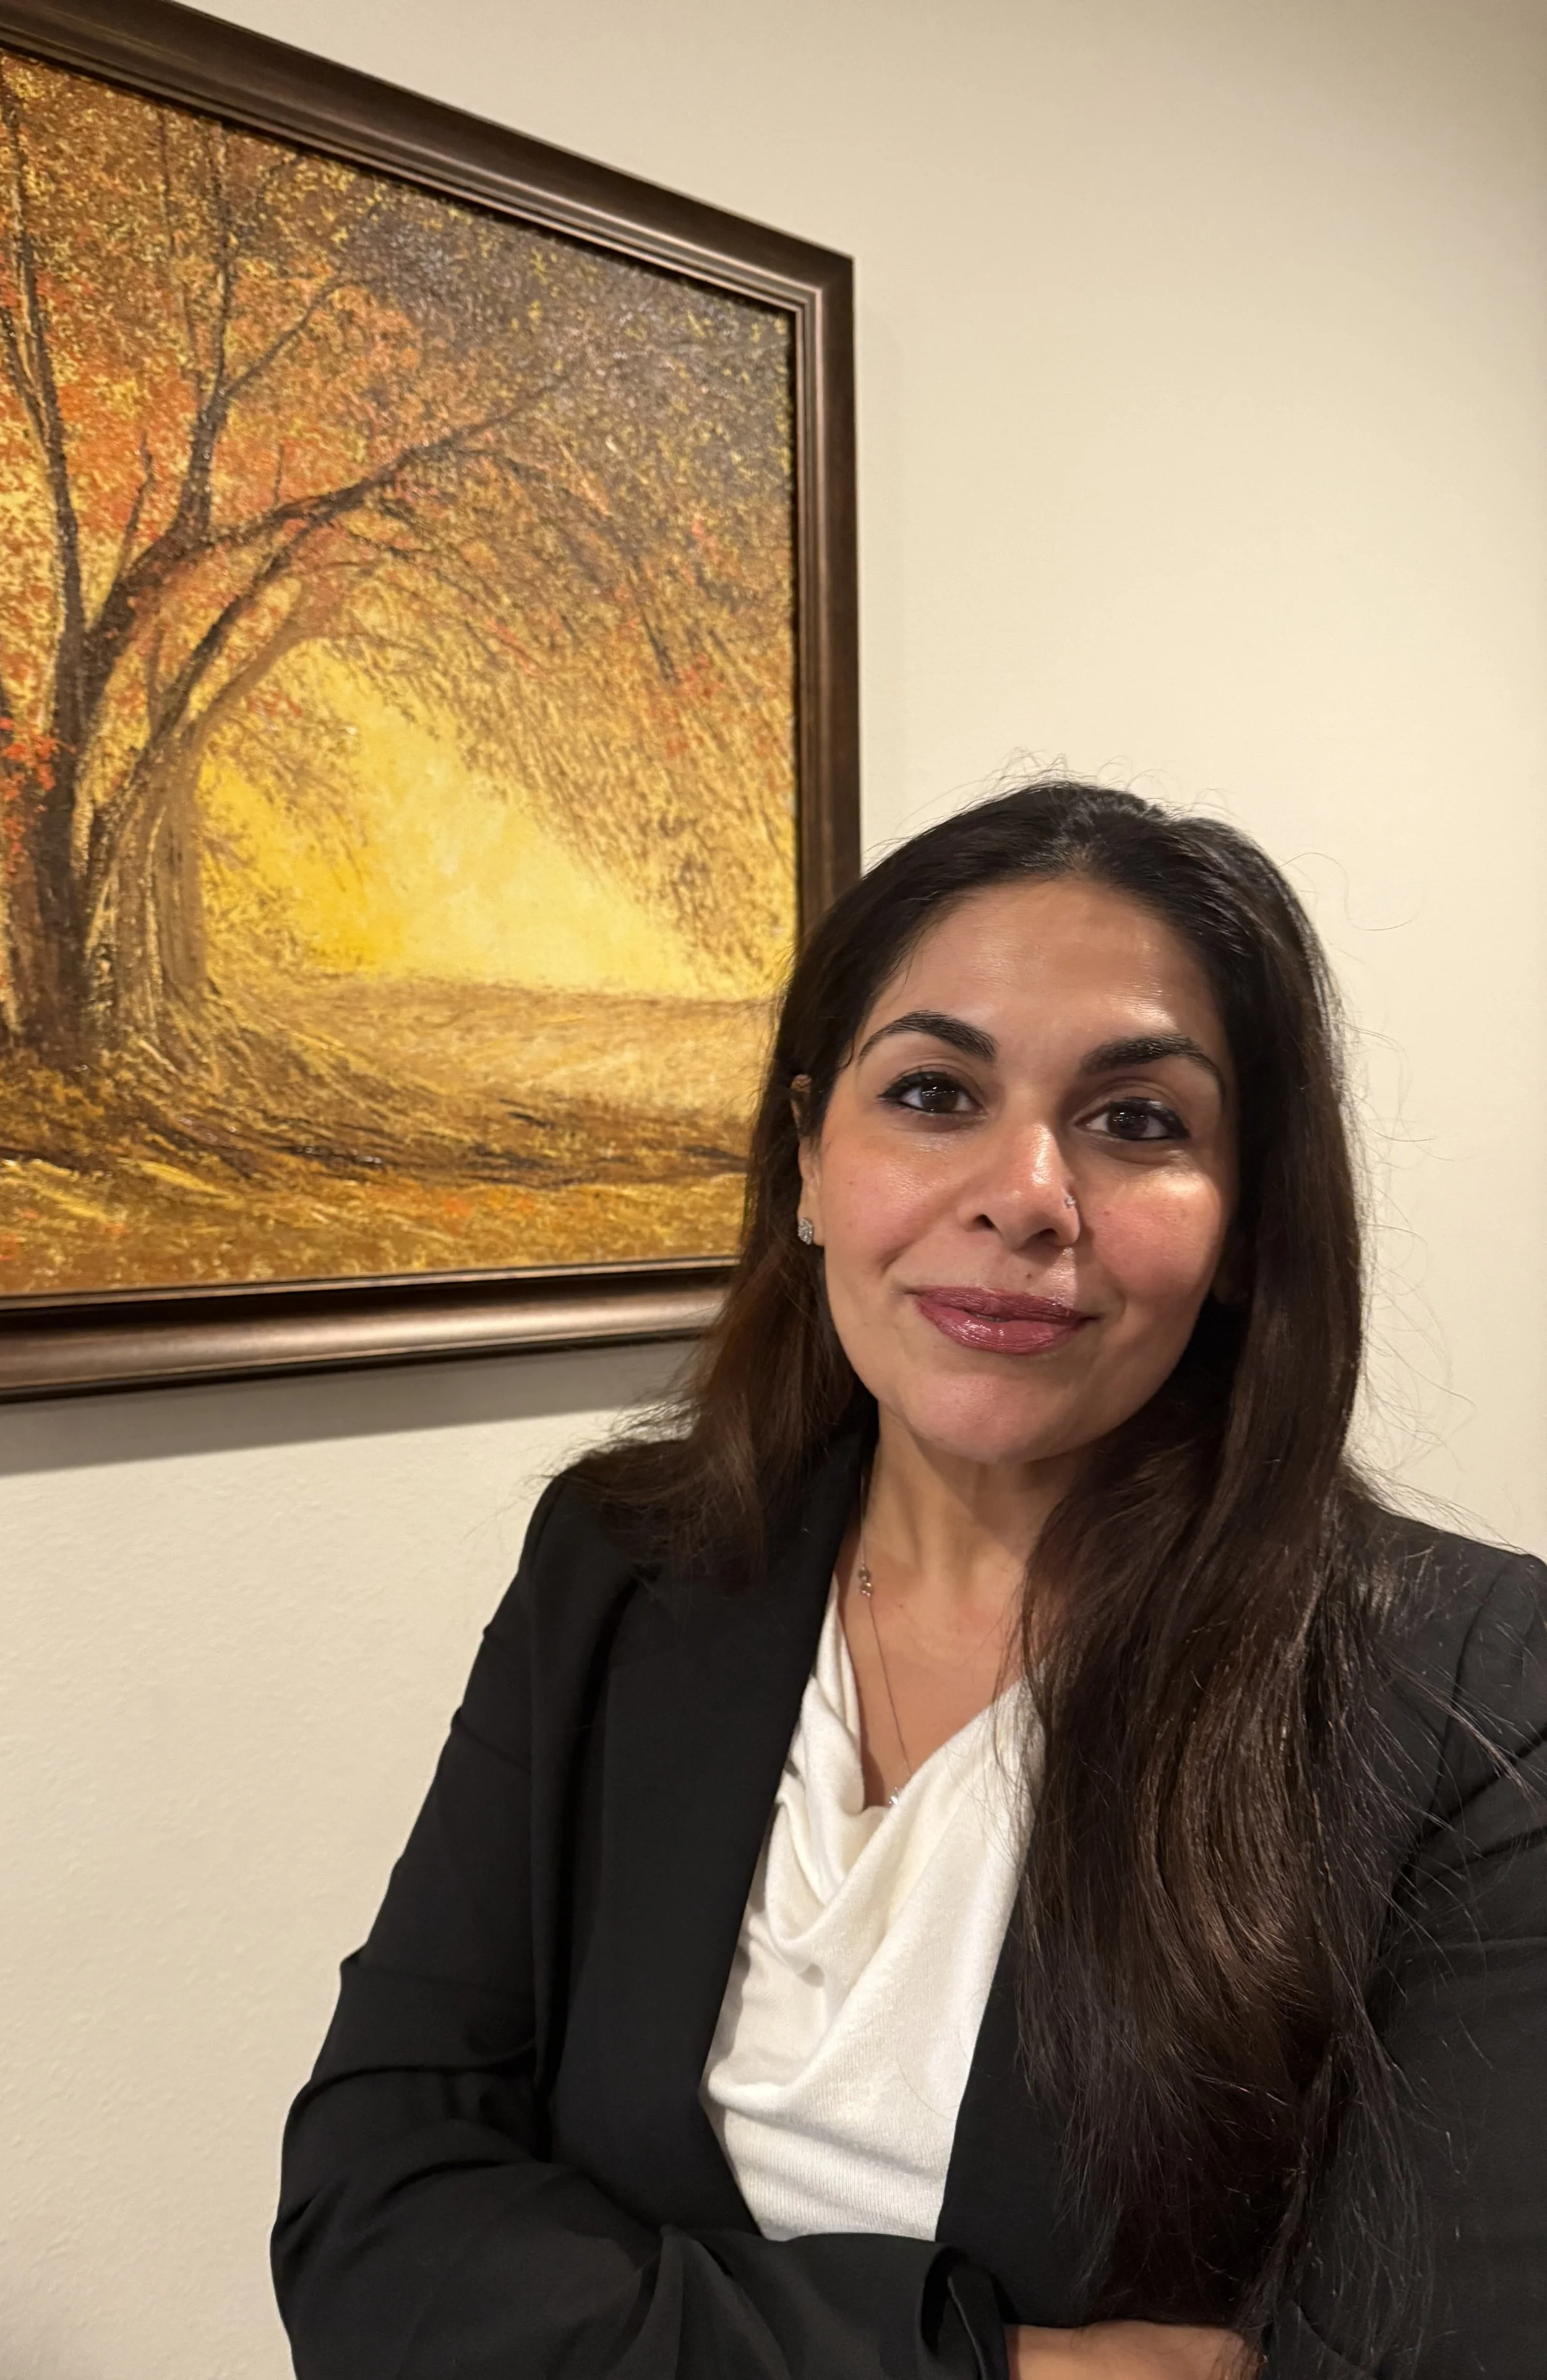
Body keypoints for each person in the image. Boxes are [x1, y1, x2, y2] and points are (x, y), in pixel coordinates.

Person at [271, 782, 1547, 2379]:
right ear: (807, 1158)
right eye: (933, 1092)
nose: (1025, 1192)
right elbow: (366, 2225)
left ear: (1243, 1221)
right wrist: (983, 2367)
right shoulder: (622, 1566)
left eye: (1137, 1120)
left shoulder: (1474, 1705)